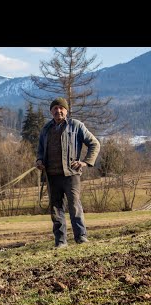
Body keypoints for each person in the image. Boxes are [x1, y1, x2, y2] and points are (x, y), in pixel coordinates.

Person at [36, 97, 100, 249]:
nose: (58, 111)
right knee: (56, 209)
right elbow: (40, 150)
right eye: (55, 109)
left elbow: (94, 143)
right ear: (51, 112)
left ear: (66, 110)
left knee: (74, 207)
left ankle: (81, 237)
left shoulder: (76, 126)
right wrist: (39, 160)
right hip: (51, 176)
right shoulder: (46, 129)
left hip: (71, 175)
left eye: (61, 108)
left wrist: (85, 162)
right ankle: (60, 241)